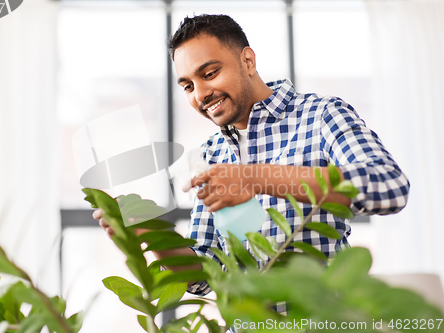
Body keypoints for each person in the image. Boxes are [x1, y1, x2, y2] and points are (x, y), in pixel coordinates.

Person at [95, 14, 409, 297]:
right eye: (188, 85)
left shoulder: (322, 115)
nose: (201, 94)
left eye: (210, 72)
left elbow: (389, 186)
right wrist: (150, 233)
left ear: (247, 61)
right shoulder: (210, 154)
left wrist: (253, 178)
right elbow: (206, 274)